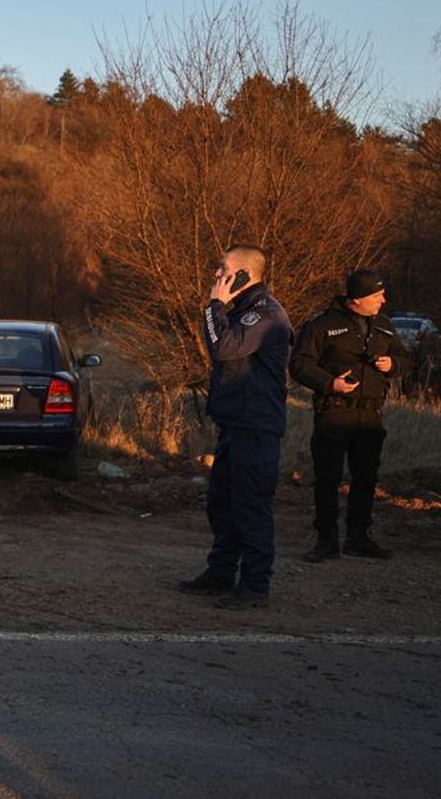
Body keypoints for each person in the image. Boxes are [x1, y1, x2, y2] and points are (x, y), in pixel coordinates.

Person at [179, 245, 293, 609]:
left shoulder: (265, 315)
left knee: (250, 506)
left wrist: (214, 306)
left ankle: (255, 585)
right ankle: (221, 573)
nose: (217, 275)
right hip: (236, 424)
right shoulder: (244, 312)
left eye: (223, 269)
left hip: (256, 426)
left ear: (243, 274)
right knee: (223, 504)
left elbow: (224, 349)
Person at [290, 269, 410, 562]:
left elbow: (406, 359)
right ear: (357, 299)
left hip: (370, 415)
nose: (384, 300)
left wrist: (391, 364)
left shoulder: (384, 326)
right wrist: (330, 384)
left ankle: (358, 539)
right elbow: (300, 364)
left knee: (366, 478)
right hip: (334, 413)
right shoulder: (321, 325)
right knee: (328, 479)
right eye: (377, 295)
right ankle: (326, 541)